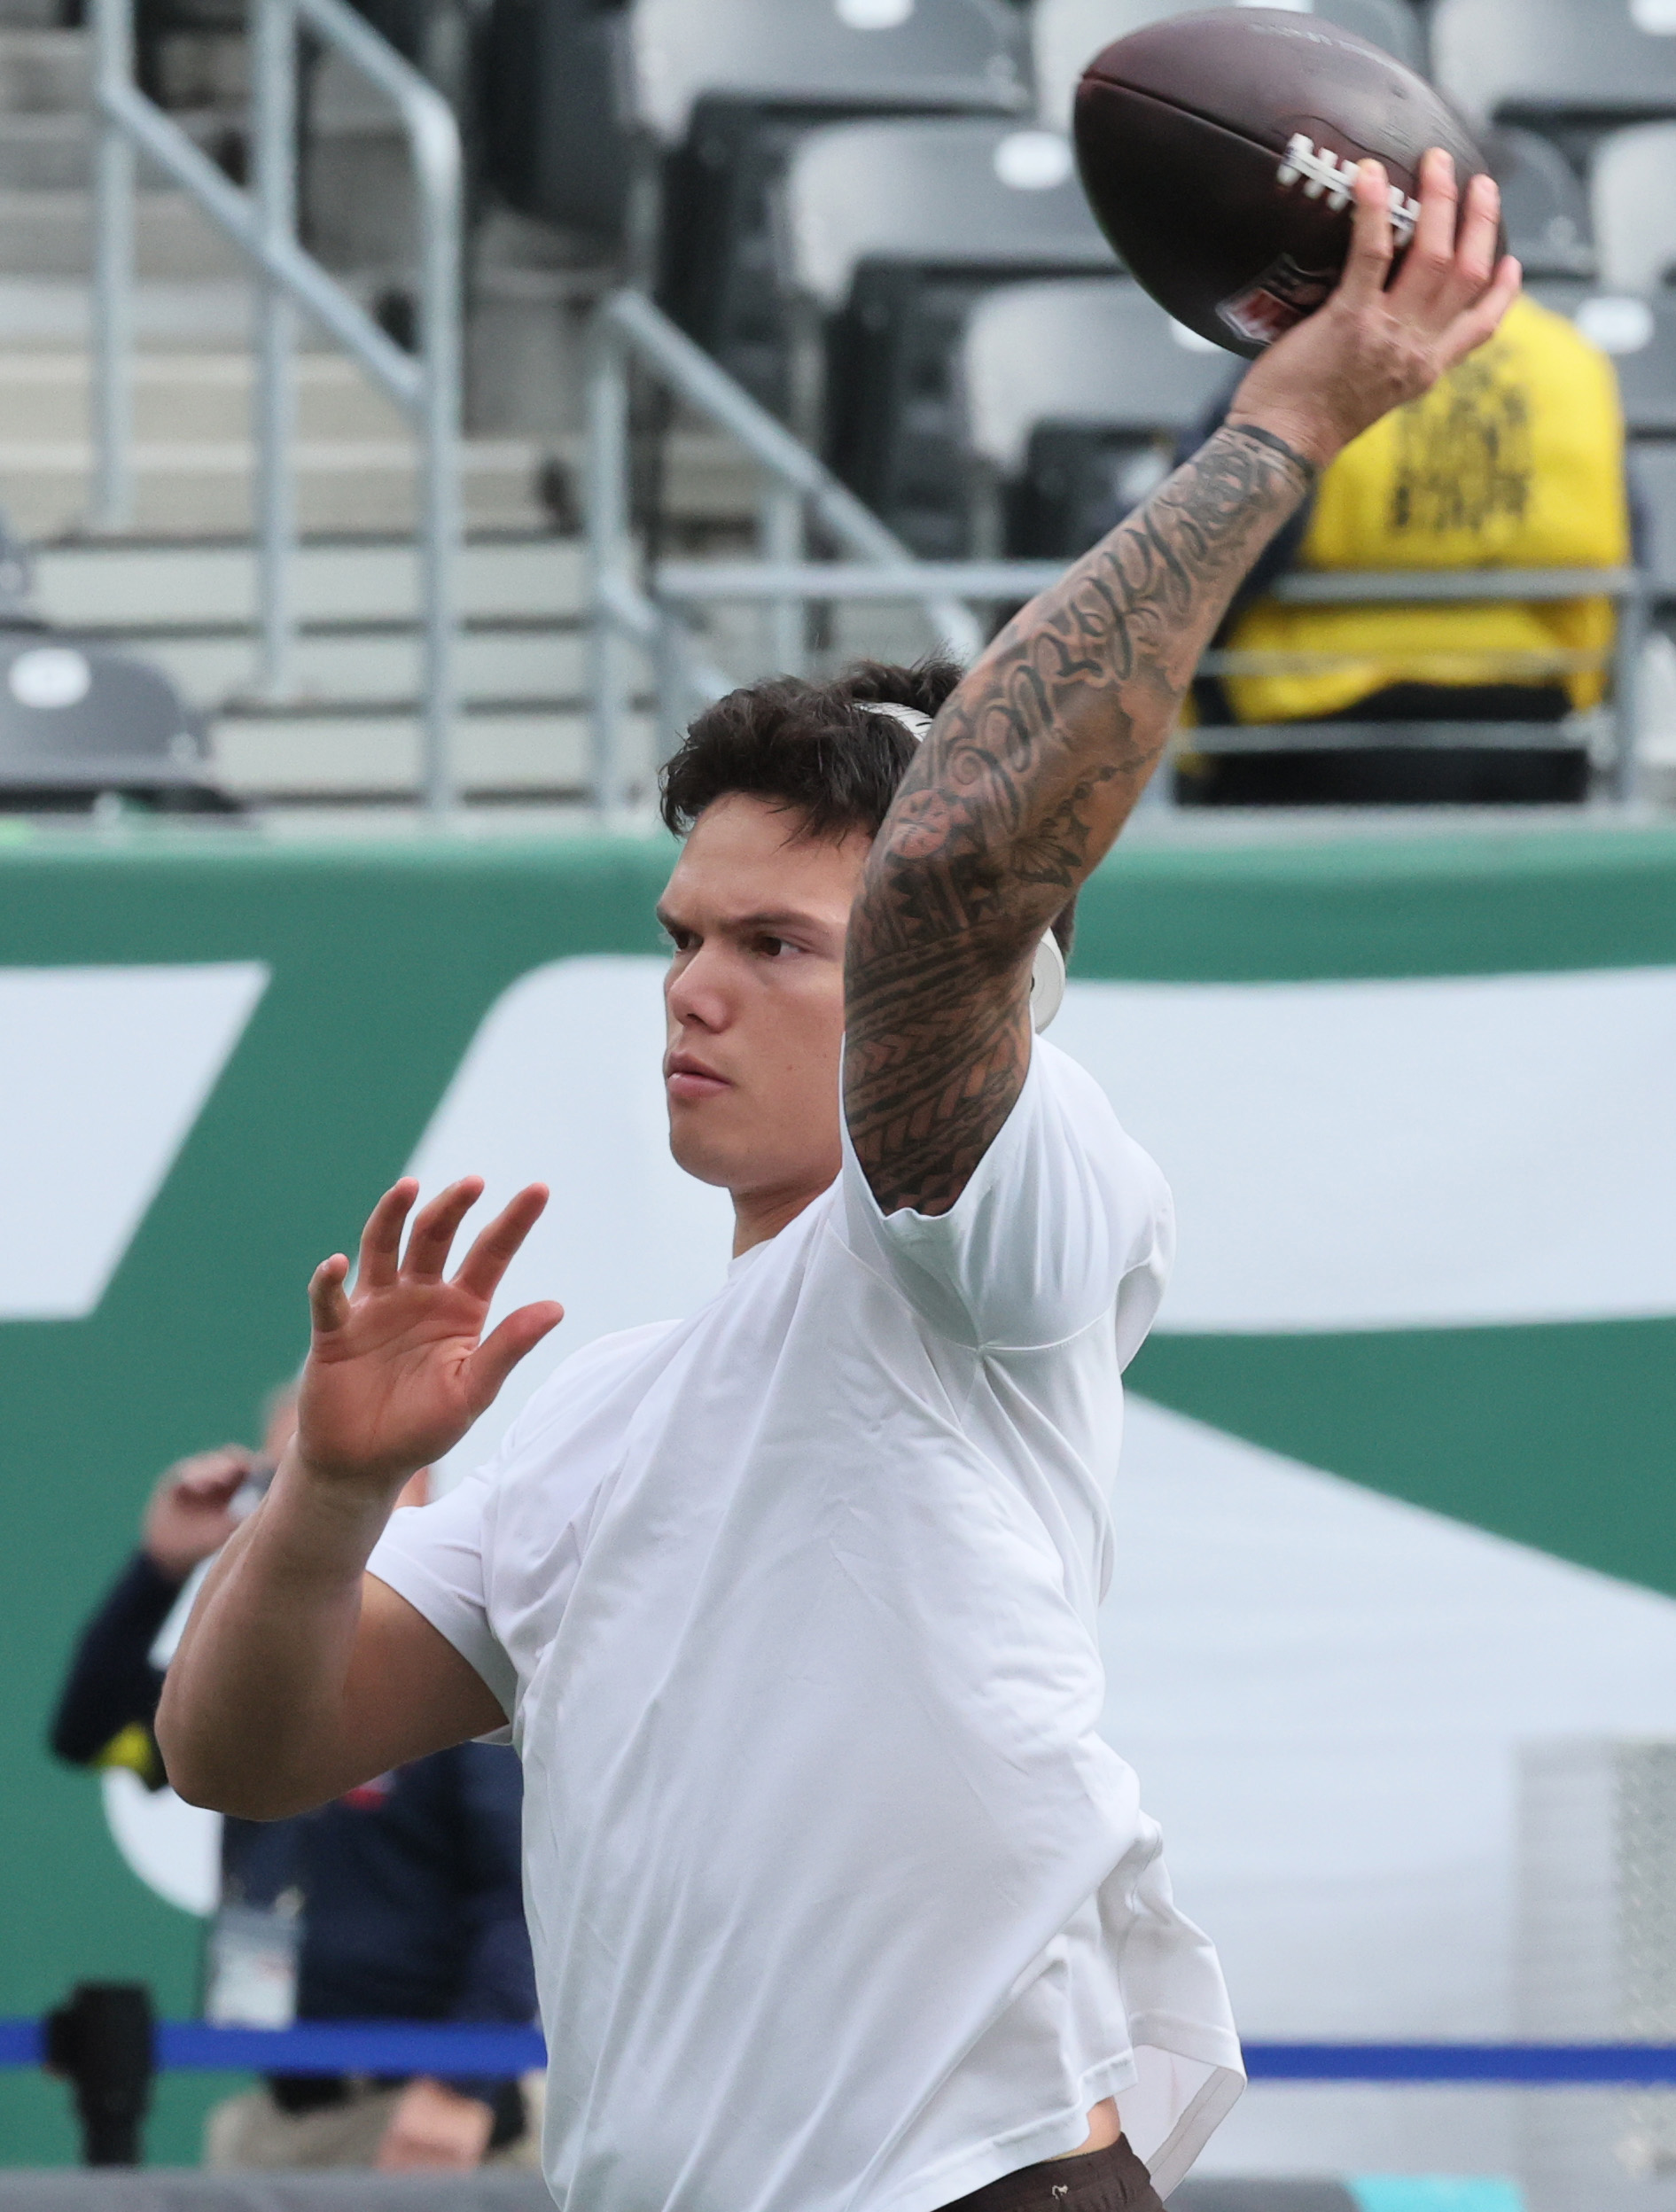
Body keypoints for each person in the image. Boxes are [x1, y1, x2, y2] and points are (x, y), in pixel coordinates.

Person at [153, 153, 1519, 2212]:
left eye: (773, 944)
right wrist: (331, 1497)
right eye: (680, 934)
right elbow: (233, 1754)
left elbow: (966, 854)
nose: (695, 988)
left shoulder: (989, 1234)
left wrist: (1287, 424)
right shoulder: (604, 1409)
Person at [49, 1389, 539, 2172]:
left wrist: (462, 2086)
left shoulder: (461, 1681)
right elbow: (93, 1734)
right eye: (289, 1480)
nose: (317, 1504)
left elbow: (522, 1902)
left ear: (425, 1497)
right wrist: (161, 1568)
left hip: (430, 2121)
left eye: (353, 1473)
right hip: (278, 2118)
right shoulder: (255, 1691)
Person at [1173, 289, 1631, 806]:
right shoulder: (1573, 358)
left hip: (1306, 744)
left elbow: (1204, 548)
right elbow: (1627, 545)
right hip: (1534, 745)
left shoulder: (1315, 348)